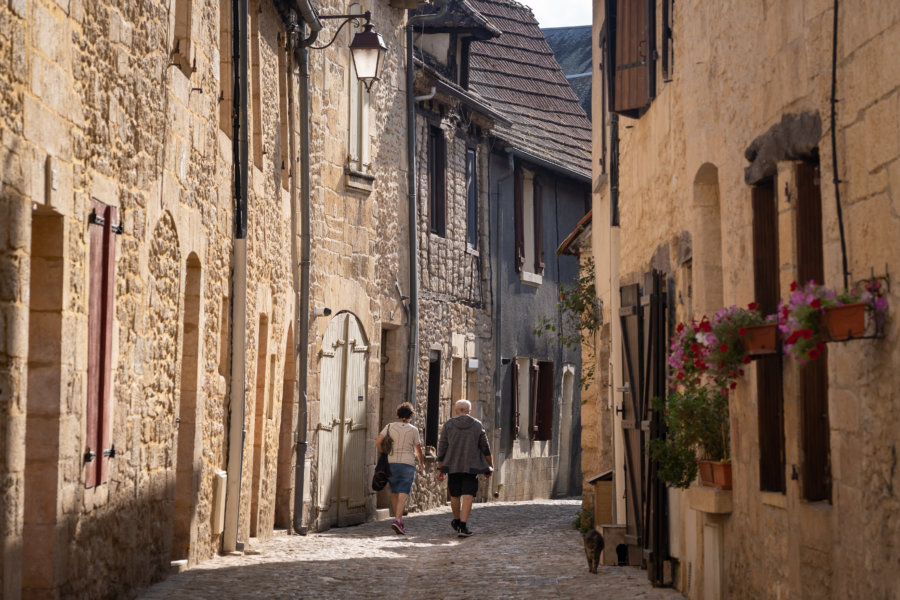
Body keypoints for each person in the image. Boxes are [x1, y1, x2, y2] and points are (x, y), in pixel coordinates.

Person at [436, 399, 493, 537]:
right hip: (471, 466)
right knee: (468, 495)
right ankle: (463, 524)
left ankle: (456, 520)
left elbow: (442, 447)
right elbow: (485, 447)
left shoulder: (448, 425)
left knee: (455, 495)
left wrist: (440, 468)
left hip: (452, 465)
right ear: (469, 411)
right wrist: (489, 465)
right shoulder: (477, 425)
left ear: (456, 411)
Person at [375, 402, 425, 535]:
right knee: (404, 492)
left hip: (391, 462)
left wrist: (383, 453)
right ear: (410, 416)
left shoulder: (389, 426)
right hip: (407, 463)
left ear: (398, 415)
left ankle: (398, 519)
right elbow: (417, 449)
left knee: (395, 492)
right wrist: (421, 463)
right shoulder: (413, 430)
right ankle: (397, 520)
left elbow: (378, 441)